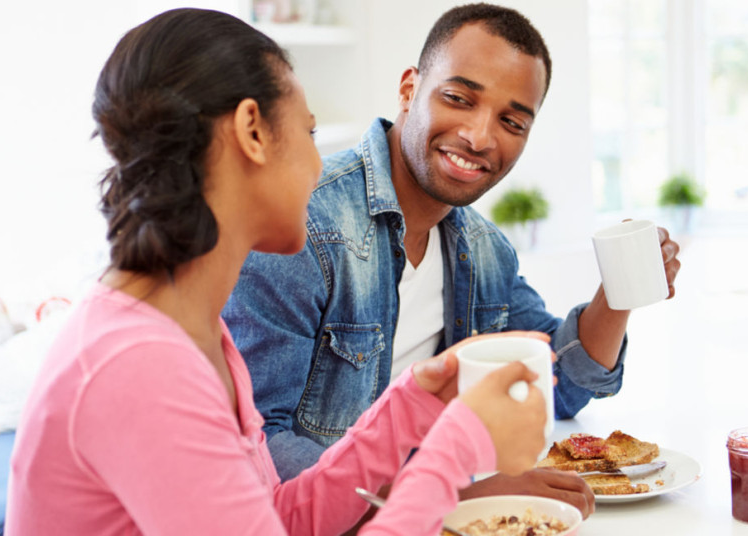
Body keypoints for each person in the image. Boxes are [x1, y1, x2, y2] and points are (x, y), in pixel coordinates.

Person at [4, 8, 550, 535]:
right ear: (252, 132)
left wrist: (410, 408)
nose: (319, 166)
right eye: (309, 135)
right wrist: (454, 449)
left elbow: (276, 519)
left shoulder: (197, 334)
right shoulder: (140, 365)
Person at [224, 2, 680, 510]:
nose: (481, 136)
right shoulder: (302, 227)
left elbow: (556, 387)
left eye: (512, 121)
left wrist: (618, 293)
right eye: (459, 98)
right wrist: (452, 495)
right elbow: (260, 450)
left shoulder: (484, 251)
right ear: (408, 90)